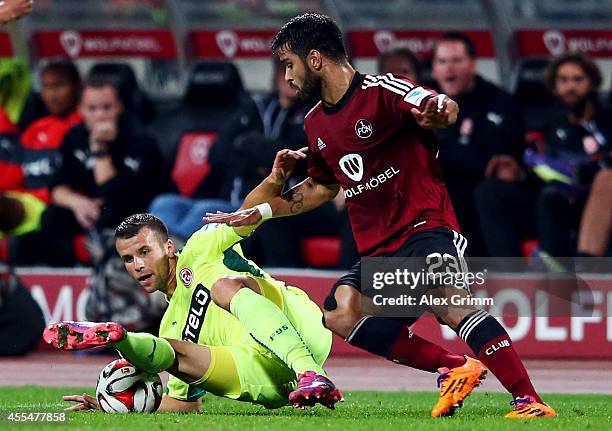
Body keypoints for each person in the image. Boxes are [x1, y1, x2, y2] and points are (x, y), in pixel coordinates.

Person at [205, 13, 555, 418]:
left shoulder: (382, 90)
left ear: (314, 59)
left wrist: (441, 112)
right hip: (380, 247)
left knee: (449, 302)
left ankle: (530, 400)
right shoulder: (315, 122)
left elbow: (439, 106)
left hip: (427, 227)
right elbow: (321, 186)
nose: (286, 77)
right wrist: (261, 212)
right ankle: (456, 367)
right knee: (341, 311)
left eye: (289, 64)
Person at [44, 153, 342, 411]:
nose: (138, 265)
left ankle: (311, 372)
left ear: (169, 247)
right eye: (128, 259)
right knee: (173, 351)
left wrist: (275, 178)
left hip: (303, 332)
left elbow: (246, 215)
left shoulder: (203, 246)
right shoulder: (171, 322)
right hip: (268, 380)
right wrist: (114, 407)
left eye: (145, 252)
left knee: (225, 286)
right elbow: (183, 405)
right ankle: (122, 338)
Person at [14, 76, 174, 266]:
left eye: (107, 107)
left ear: (120, 107)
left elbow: (115, 195)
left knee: (111, 216)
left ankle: (113, 274)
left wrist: (99, 149)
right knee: (52, 218)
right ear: (81, 110)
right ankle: (68, 275)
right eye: (92, 109)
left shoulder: (140, 141)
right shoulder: (75, 137)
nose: (99, 115)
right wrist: (77, 202)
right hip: (96, 208)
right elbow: (57, 185)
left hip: (142, 212)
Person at [475, 52, 612, 258]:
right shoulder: (549, 126)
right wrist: (519, 173)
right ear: (554, 87)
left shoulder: (607, 121)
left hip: (595, 203)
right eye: (563, 80)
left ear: (592, 83)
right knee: (490, 191)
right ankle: (509, 274)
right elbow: (538, 170)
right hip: (553, 202)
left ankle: (583, 268)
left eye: (577, 79)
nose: (570, 87)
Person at [431, 32, 524, 256]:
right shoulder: (426, 103)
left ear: (472, 64)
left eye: (456, 60)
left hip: (481, 196)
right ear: (434, 69)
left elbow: (486, 160)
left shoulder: (499, 101)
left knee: (476, 195)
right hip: (441, 192)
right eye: (442, 62)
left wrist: (438, 156)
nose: (449, 68)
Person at [1, 59, 82, 242]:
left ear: (77, 86)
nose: (52, 95)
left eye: (59, 86)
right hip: (25, 205)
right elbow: (12, 179)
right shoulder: (35, 129)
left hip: (59, 208)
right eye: (46, 87)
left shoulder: (84, 126)